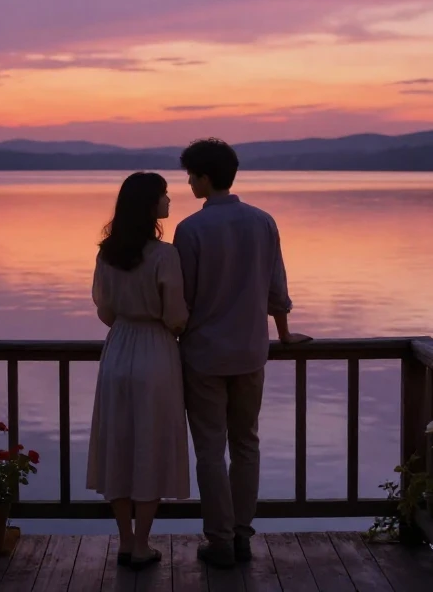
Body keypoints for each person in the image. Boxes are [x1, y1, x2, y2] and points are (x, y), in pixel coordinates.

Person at [172, 138, 311, 569]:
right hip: (252, 352)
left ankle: (219, 540)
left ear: (205, 178)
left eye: (191, 176)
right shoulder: (263, 222)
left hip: (204, 356)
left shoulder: (191, 230)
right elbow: (277, 289)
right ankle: (243, 534)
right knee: (246, 443)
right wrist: (284, 335)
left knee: (211, 450)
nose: (189, 182)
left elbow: (184, 300)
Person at [85, 172, 191, 569]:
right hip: (155, 351)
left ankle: (126, 541)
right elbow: (176, 316)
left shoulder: (107, 252)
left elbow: (105, 309)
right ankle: (143, 543)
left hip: (118, 350)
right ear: (149, 205)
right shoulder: (165, 255)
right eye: (164, 195)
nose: (169, 201)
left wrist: (128, 319)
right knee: (150, 445)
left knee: (120, 444)